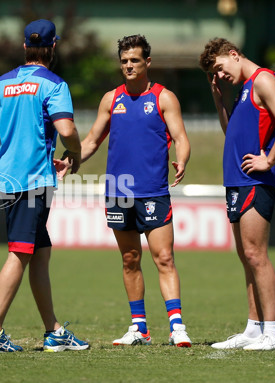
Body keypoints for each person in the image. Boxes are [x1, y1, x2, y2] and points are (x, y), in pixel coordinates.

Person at [0, 19, 89, 353]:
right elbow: (65, 128)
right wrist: (75, 154)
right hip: (34, 180)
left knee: (40, 254)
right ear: (52, 48)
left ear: (24, 47)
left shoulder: (3, 82)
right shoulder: (54, 84)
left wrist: (3, 130)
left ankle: (54, 331)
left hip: (9, 176)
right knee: (19, 254)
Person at [78, 34, 192, 347]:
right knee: (129, 259)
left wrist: (181, 160)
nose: (129, 66)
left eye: (135, 60)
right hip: (118, 191)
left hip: (152, 190)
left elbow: (180, 138)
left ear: (147, 62)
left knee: (164, 258)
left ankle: (177, 326)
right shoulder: (110, 99)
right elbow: (90, 141)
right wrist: (69, 159)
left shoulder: (163, 98)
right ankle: (139, 328)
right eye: (125, 61)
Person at [199, 38, 275, 351]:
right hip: (236, 182)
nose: (220, 74)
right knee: (246, 257)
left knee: (256, 255)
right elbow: (234, 135)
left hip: (256, 182)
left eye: (219, 67)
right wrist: (219, 102)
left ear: (234, 54)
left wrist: (268, 159)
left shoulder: (263, 80)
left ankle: (273, 334)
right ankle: (254, 329)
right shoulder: (243, 91)